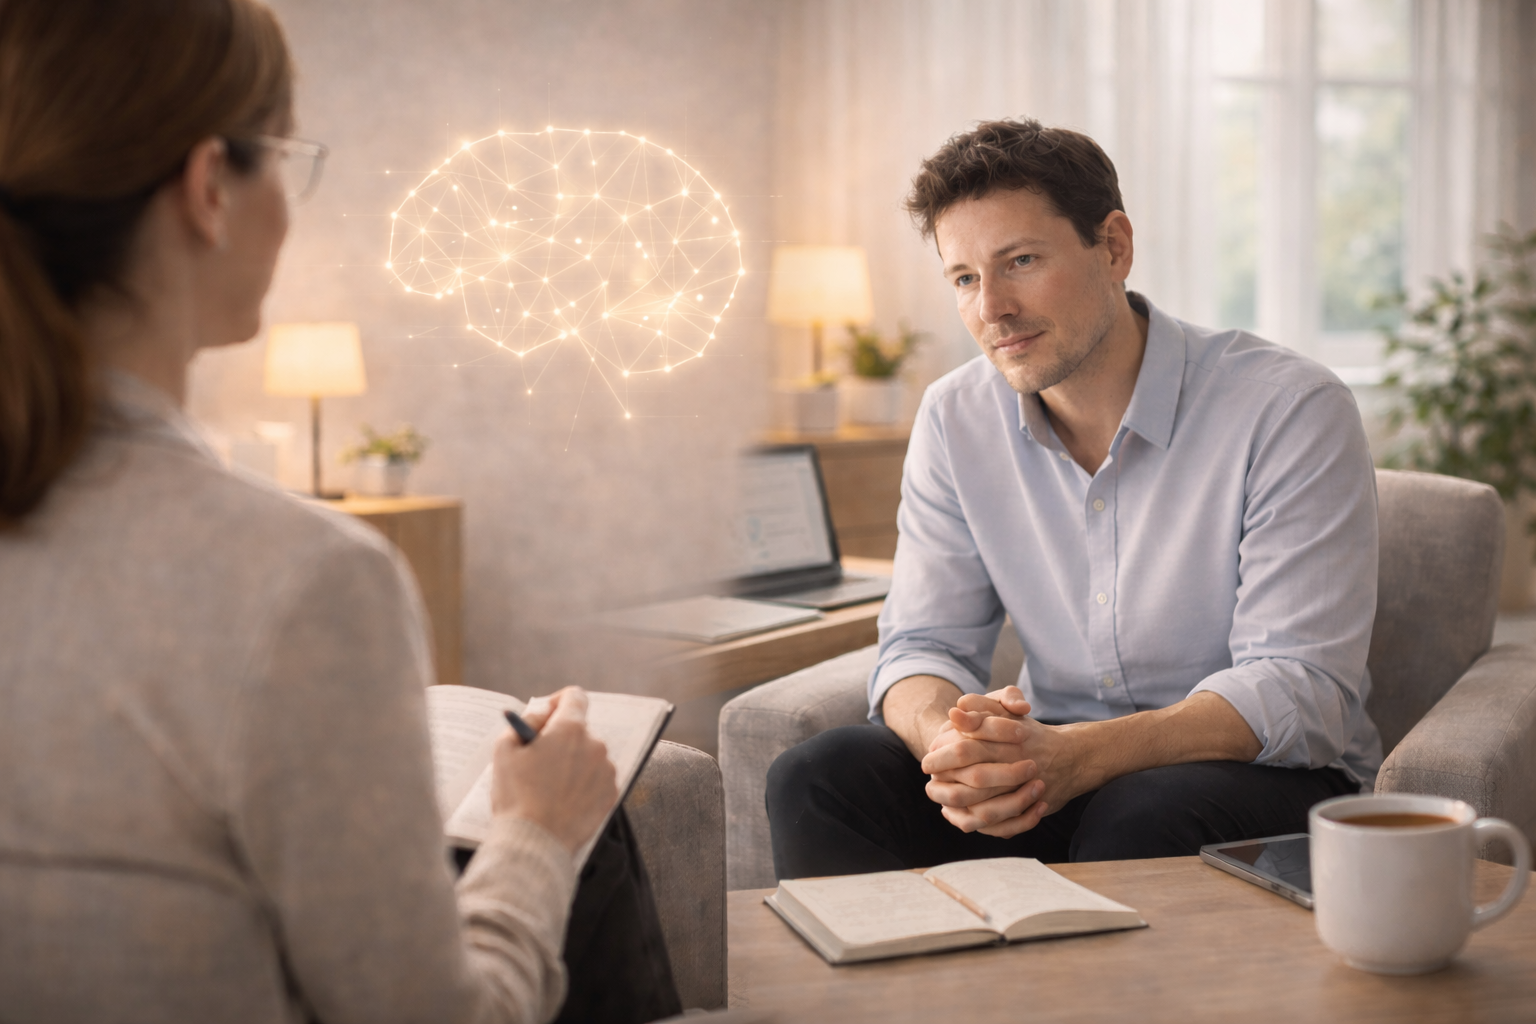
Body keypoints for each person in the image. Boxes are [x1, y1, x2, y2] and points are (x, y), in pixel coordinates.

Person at [0, 2, 678, 1021]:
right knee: (590, 822)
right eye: (280, 153)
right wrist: (537, 829)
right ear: (205, 188)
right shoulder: (299, 579)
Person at [766, 118, 1381, 880]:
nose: (991, 308)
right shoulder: (954, 418)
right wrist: (954, 747)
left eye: (1019, 261)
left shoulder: (1287, 406)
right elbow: (923, 644)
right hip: (1049, 772)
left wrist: (1078, 757)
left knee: (1143, 813)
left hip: (1258, 778)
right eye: (963, 278)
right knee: (818, 778)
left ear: (1114, 247)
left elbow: (1301, 687)